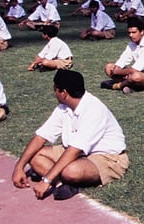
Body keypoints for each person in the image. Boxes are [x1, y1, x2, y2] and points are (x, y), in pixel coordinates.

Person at [11, 69, 129, 201]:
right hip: (76, 152)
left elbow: (74, 150)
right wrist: (19, 166)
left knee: (71, 171)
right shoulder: (63, 107)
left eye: (55, 89)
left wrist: (46, 180)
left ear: (63, 93)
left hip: (107, 157)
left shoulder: (93, 109)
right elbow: (40, 137)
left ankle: (59, 178)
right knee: (35, 155)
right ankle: (61, 184)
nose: (54, 93)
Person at [101, 17, 144, 93]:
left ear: (141, 32)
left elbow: (135, 69)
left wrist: (117, 72)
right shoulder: (131, 45)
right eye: (129, 33)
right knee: (109, 67)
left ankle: (117, 86)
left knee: (136, 77)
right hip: (139, 72)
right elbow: (123, 60)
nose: (131, 35)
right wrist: (116, 68)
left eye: (134, 32)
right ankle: (131, 85)